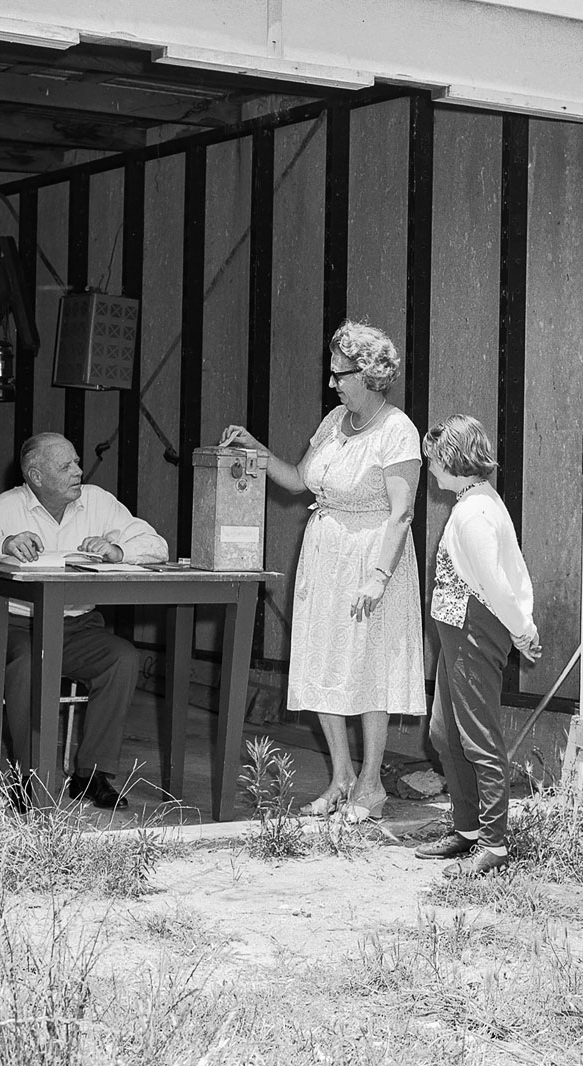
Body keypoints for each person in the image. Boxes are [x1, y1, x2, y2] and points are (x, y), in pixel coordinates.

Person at [220, 320, 424, 822]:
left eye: (341, 373)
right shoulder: (335, 421)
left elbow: (401, 513)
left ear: (371, 374)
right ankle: (342, 778)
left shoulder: (397, 430)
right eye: (332, 373)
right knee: (323, 661)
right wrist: (254, 448)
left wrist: (378, 574)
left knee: (369, 666)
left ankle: (372, 785)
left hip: (372, 558)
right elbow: (296, 481)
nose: (332, 383)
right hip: (325, 556)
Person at [0, 432, 168, 809]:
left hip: (75, 627)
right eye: (66, 466)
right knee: (28, 663)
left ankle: (91, 775)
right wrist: (3, 544)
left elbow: (157, 546)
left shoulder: (98, 502)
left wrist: (118, 550)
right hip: (12, 625)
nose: (78, 471)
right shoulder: (7, 508)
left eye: (77, 462)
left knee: (122, 659)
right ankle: (28, 776)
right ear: (35, 475)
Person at [412, 414, 542, 875]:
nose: (430, 469)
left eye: (434, 461)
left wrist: (522, 630)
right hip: (456, 631)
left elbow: (497, 582)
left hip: (474, 631)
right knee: (444, 734)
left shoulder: (475, 512)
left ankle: (494, 843)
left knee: (477, 737)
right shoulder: (471, 502)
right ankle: (467, 830)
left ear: (452, 460)